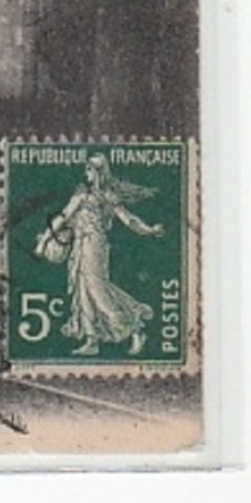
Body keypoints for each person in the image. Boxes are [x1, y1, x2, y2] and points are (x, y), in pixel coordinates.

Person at [40, 153, 164, 356]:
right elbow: (62, 218)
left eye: (89, 169)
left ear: (98, 172)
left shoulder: (107, 197)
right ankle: (92, 340)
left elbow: (128, 219)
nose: (85, 173)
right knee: (83, 292)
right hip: (80, 246)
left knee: (98, 291)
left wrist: (149, 230)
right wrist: (45, 240)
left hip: (95, 246)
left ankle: (135, 330)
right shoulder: (80, 195)